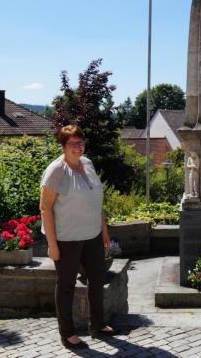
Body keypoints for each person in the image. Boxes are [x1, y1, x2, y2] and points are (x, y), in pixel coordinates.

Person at [40, 125, 118, 350]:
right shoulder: (57, 170)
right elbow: (45, 208)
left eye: (80, 142)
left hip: (91, 235)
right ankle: (68, 334)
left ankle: (98, 325)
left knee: (97, 279)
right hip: (67, 239)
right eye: (72, 143)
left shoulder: (88, 164)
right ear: (63, 146)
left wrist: (103, 231)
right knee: (66, 286)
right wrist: (52, 245)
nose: (78, 147)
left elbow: (97, 202)